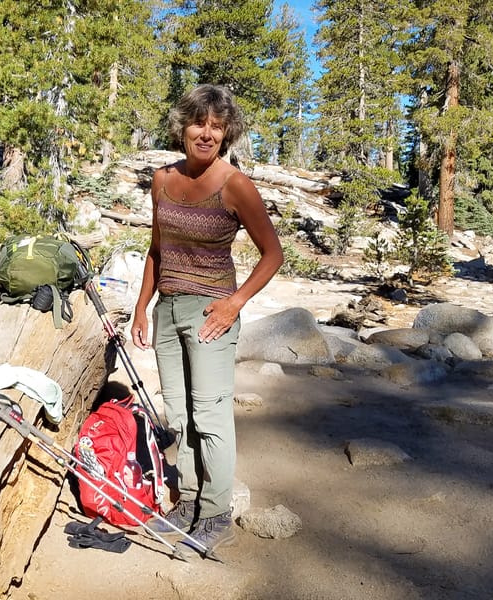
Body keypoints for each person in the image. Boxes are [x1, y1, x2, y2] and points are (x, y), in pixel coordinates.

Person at [130, 84, 283, 555]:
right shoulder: (162, 180)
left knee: (211, 416)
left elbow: (272, 254)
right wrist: (142, 306)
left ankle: (216, 514)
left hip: (211, 313)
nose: (206, 134)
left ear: (226, 134)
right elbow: (157, 249)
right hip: (168, 309)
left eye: (217, 127)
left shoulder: (235, 185)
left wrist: (235, 303)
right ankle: (190, 500)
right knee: (179, 414)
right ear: (183, 127)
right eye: (199, 123)